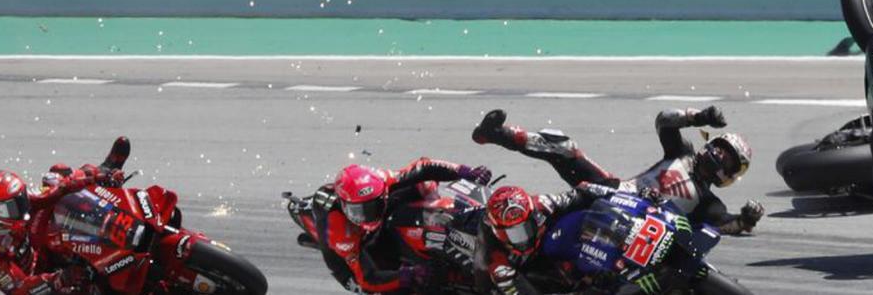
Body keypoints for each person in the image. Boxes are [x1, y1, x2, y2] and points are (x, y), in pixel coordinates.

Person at [471, 106, 764, 235]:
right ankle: (495, 133)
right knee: (565, 147)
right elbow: (664, 121)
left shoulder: (708, 203)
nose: (720, 155)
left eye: (728, 159)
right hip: (614, 190)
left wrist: (746, 219)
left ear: (730, 174)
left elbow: (727, 225)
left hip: (634, 229)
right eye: (721, 147)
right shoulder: (681, 154)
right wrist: (698, 116)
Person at [309, 158, 492, 293]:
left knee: (425, 186)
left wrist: (465, 172)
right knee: (380, 288)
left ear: (382, 193)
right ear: (344, 205)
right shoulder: (340, 232)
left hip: (384, 215)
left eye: (373, 206)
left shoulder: (382, 179)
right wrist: (408, 275)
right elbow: (367, 278)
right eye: (359, 211)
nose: (367, 216)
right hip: (349, 256)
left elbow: (424, 167)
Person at [0, 142, 128, 295]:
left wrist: (95, 177)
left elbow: (57, 190)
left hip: (37, 241)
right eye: (14, 206)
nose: (23, 207)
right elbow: (19, 289)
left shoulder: (18, 203)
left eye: (21, 198)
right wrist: (60, 279)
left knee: (57, 175)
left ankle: (106, 171)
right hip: (39, 278)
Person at [474, 183, 617, 295]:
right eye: (516, 234)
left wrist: (615, 195)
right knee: (485, 286)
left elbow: (580, 193)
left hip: (542, 247)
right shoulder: (495, 257)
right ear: (501, 234)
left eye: (527, 227)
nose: (524, 238)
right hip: (510, 266)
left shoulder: (543, 204)